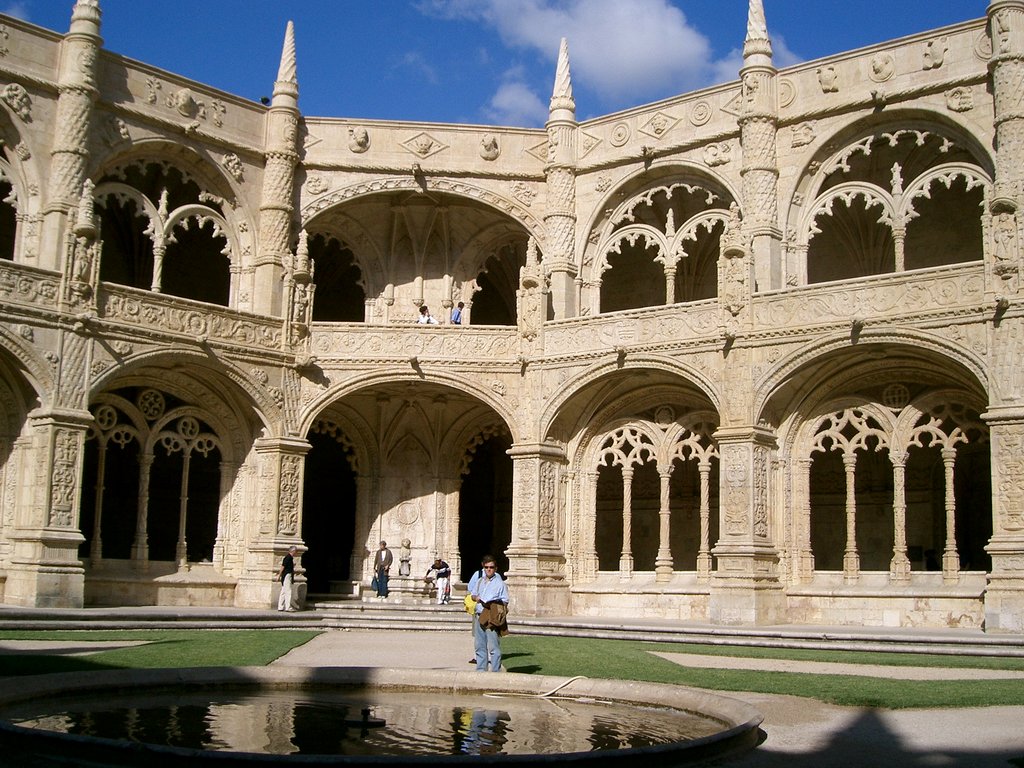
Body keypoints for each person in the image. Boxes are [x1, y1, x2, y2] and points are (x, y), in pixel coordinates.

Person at [469, 555, 509, 672]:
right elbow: (472, 594)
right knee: (479, 644)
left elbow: (505, 600)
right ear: (483, 567)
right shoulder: (480, 581)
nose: (489, 569)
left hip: (491, 615)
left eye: (491, 567)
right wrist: (476, 598)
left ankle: (495, 671)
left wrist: (494, 603)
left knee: (493, 646)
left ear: (495, 568)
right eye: (486, 567)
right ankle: (481, 670)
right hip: (479, 614)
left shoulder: (500, 584)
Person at [276, 545, 298, 612]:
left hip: (286, 576)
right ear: (293, 551)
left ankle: (280, 607)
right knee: (288, 591)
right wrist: (279, 575)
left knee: (283, 592)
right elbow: (283, 566)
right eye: (296, 551)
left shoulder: (289, 558)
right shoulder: (288, 558)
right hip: (287, 576)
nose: (296, 553)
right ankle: (288, 607)